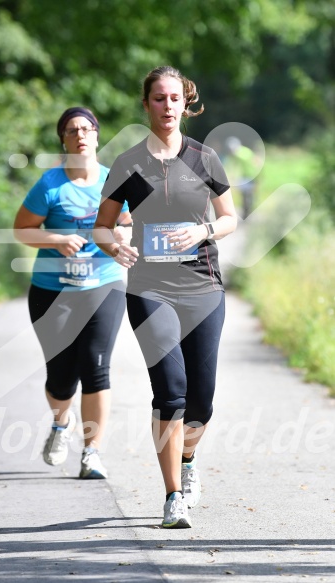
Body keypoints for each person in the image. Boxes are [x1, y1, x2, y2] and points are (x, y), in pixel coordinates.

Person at [94, 66, 237, 527]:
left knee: (202, 402)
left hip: (204, 288)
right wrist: (115, 243)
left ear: (186, 102)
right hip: (150, 288)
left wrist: (205, 229)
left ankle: (189, 462)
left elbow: (231, 218)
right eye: (159, 98)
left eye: (175, 98)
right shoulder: (128, 163)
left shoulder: (204, 158)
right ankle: (173, 494)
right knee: (171, 393)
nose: (168, 106)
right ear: (147, 105)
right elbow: (103, 223)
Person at [14, 106, 132, 479]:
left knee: (96, 367)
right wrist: (56, 238)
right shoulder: (50, 184)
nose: (80, 135)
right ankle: (60, 425)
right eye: (71, 130)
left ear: (97, 135)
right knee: (61, 378)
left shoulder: (114, 180)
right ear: (62, 140)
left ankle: (92, 452)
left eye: (86, 128)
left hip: (103, 285)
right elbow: (22, 230)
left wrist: (121, 239)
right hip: (53, 291)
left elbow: (126, 222)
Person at [225, 136, 258, 219]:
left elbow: (233, 166)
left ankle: (246, 214)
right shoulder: (246, 150)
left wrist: (232, 177)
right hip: (252, 176)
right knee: (249, 196)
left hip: (246, 177)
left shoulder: (237, 154)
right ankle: (248, 213)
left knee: (245, 196)